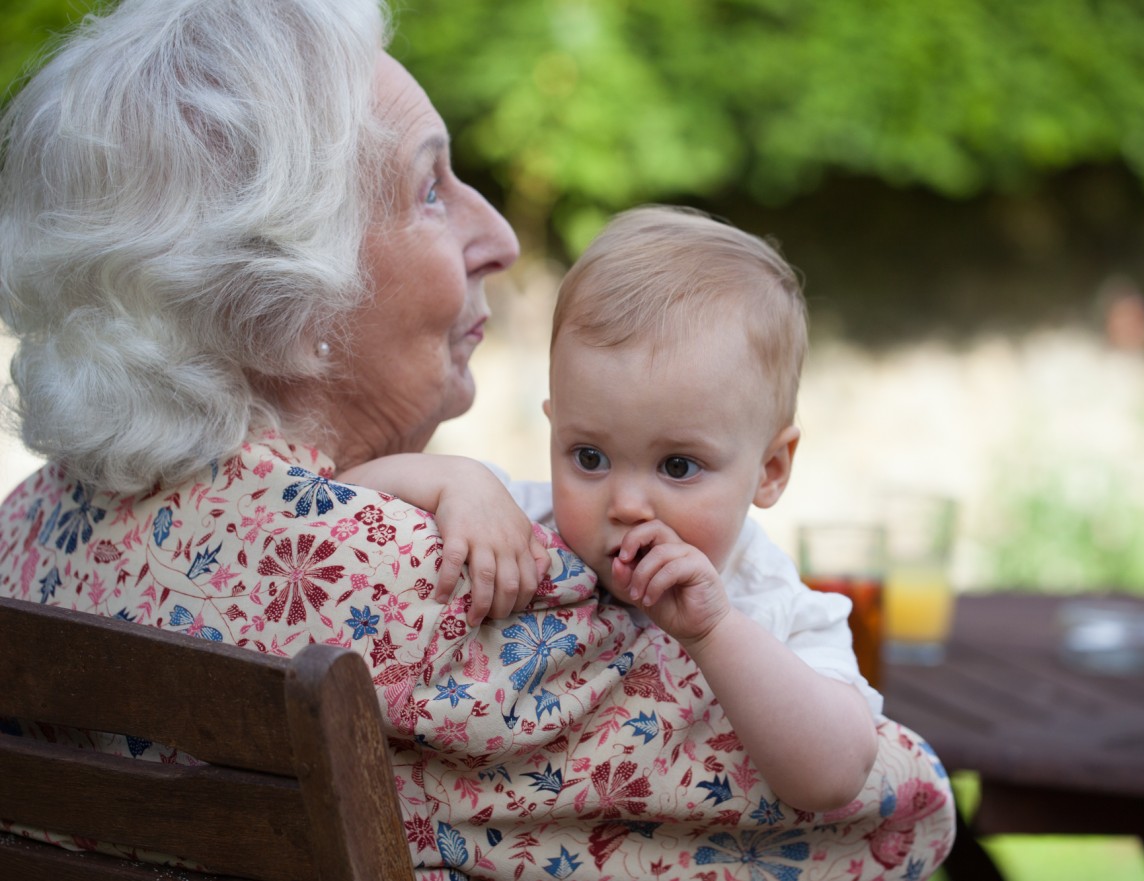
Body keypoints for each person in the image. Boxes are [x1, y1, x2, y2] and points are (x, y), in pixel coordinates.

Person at [0, 1, 954, 879]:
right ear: (284, 295)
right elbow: (894, 812)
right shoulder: (425, 591)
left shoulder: (28, 534)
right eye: (430, 189)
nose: (498, 232)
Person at [342, 205, 885, 813]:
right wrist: (452, 481)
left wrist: (716, 633)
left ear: (770, 469)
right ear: (554, 432)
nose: (625, 504)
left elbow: (836, 776)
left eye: (678, 466)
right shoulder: (517, 521)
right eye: (589, 456)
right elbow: (336, 499)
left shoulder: (775, 608)